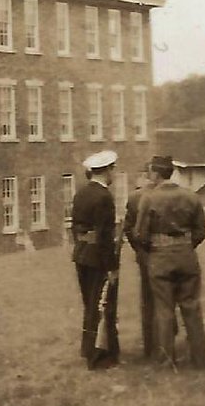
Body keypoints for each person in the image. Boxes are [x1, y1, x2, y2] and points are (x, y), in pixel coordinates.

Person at [133, 155, 205, 369]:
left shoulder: (148, 198)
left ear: (156, 173)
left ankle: (167, 360)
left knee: (164, 310)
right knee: (192, 307)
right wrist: (184, 244)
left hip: (160, 257)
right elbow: (201, 231)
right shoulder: (191, 196)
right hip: (186, 255)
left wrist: (156, 247)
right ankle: (200, 359)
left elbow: (140, 233)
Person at [70, 150, 120, 370]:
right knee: (101, 305)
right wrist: (111, 267)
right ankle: (99, 358)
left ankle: (90, 350)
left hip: (82, 254)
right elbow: (104, 236)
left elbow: (75, 227)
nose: (113, 174)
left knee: (90, 305)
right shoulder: (104, 197)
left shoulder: (80, 193)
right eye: (112, 170)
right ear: (107, 170)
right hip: (98, 258)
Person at [122, 159, 163, 361]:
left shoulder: (135, 197)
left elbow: (129, 229)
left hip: (147, 255)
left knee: (149, 302)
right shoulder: (140, 197)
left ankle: (151, 347)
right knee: (165, 300)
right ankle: (164, 345)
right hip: (165, 253)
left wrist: (139, 250)